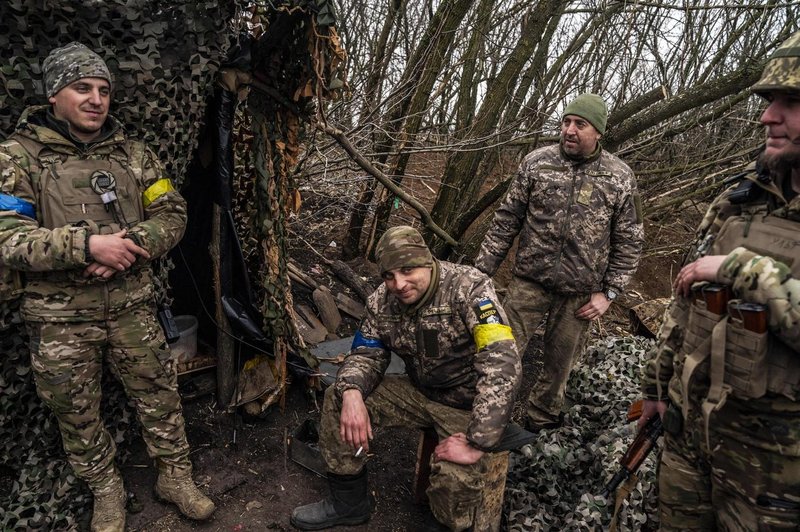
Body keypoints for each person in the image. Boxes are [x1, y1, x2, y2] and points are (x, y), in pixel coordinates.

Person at [0, 42, 214, 531]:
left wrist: (132, 244)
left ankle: (175, 478)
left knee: (159, 394)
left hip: (131, 307)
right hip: (57, 319)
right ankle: (107, 490)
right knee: (75, 411)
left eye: (103, 90)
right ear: (55, 95)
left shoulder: (135, 155)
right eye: (82, 88)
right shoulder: (17, 158)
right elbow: (7, 236)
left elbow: (172, 212)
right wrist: (89, 246)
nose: (96, 99)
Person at [638, 30, 800, 530]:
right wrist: (656, 388)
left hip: (773, 480)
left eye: (790, 102)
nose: (768, 116)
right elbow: (685, 304)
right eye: (769, 100)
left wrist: (739, 269)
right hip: (691, 444)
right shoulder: (739, 201)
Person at [291, 226, 521, 531]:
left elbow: (501, 360)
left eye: (408, 270)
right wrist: (352, 393)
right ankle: (349, 503)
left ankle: (445, 525)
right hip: (418, 392)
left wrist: (478, 440)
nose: (398, 284)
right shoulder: (381, 302)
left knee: (458, 478)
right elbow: (366, 354)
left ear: (427, 262)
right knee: (337, 397)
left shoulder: (470, 288)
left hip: (466, 405)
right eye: (389, 275)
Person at [475, 93, 644, 431]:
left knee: (559, 366)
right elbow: (506, 220)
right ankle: (484, 415)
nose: (569, 129)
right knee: (500, 351)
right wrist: (480, 273)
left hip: (580, 294)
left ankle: (538, 426)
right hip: (528, 283)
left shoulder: (619, 177)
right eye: (566, 122)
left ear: (598, 131)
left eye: (579, 124)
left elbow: (630, 239)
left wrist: (608, 294)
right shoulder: (537, 163)